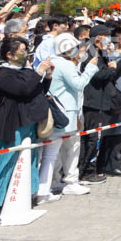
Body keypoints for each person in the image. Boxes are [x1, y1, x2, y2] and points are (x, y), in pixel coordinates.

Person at [0, 37, 51, 227]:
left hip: (28, 125)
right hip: (10, 125)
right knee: (0, 163)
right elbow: (23, 90)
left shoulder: (26, 71)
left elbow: (35, 91)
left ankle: (20, 197)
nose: (26, 53)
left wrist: (46, 77)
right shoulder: (3, 75)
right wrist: (38, 72)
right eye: (23, 50)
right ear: (10, 54)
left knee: (28, 160)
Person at [41, 32, 99, 199]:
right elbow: (79, 84)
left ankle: (56, 181)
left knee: (56, 151)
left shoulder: (54, 61)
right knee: (69, 150)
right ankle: (69, 182)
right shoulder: (65, 65)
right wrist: (91, 68)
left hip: (60, 111)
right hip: (65, 113)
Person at [77, 24, 121, 184]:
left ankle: (90, 170)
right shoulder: (90, 53)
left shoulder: (101, 52)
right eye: (106, 35)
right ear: (98, 37)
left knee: (94, 137)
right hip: (93, 101)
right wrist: (112, 69)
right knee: (92, 137)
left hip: (100, 100)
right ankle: (86, 172)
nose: (109, 39)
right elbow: (97, 75)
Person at [100, 26, 121, 177]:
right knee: (116, 134)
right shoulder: (116, 56)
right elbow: (120, 82)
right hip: (120, 102)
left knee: (119, 133)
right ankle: (112, 165)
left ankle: (111, 165)